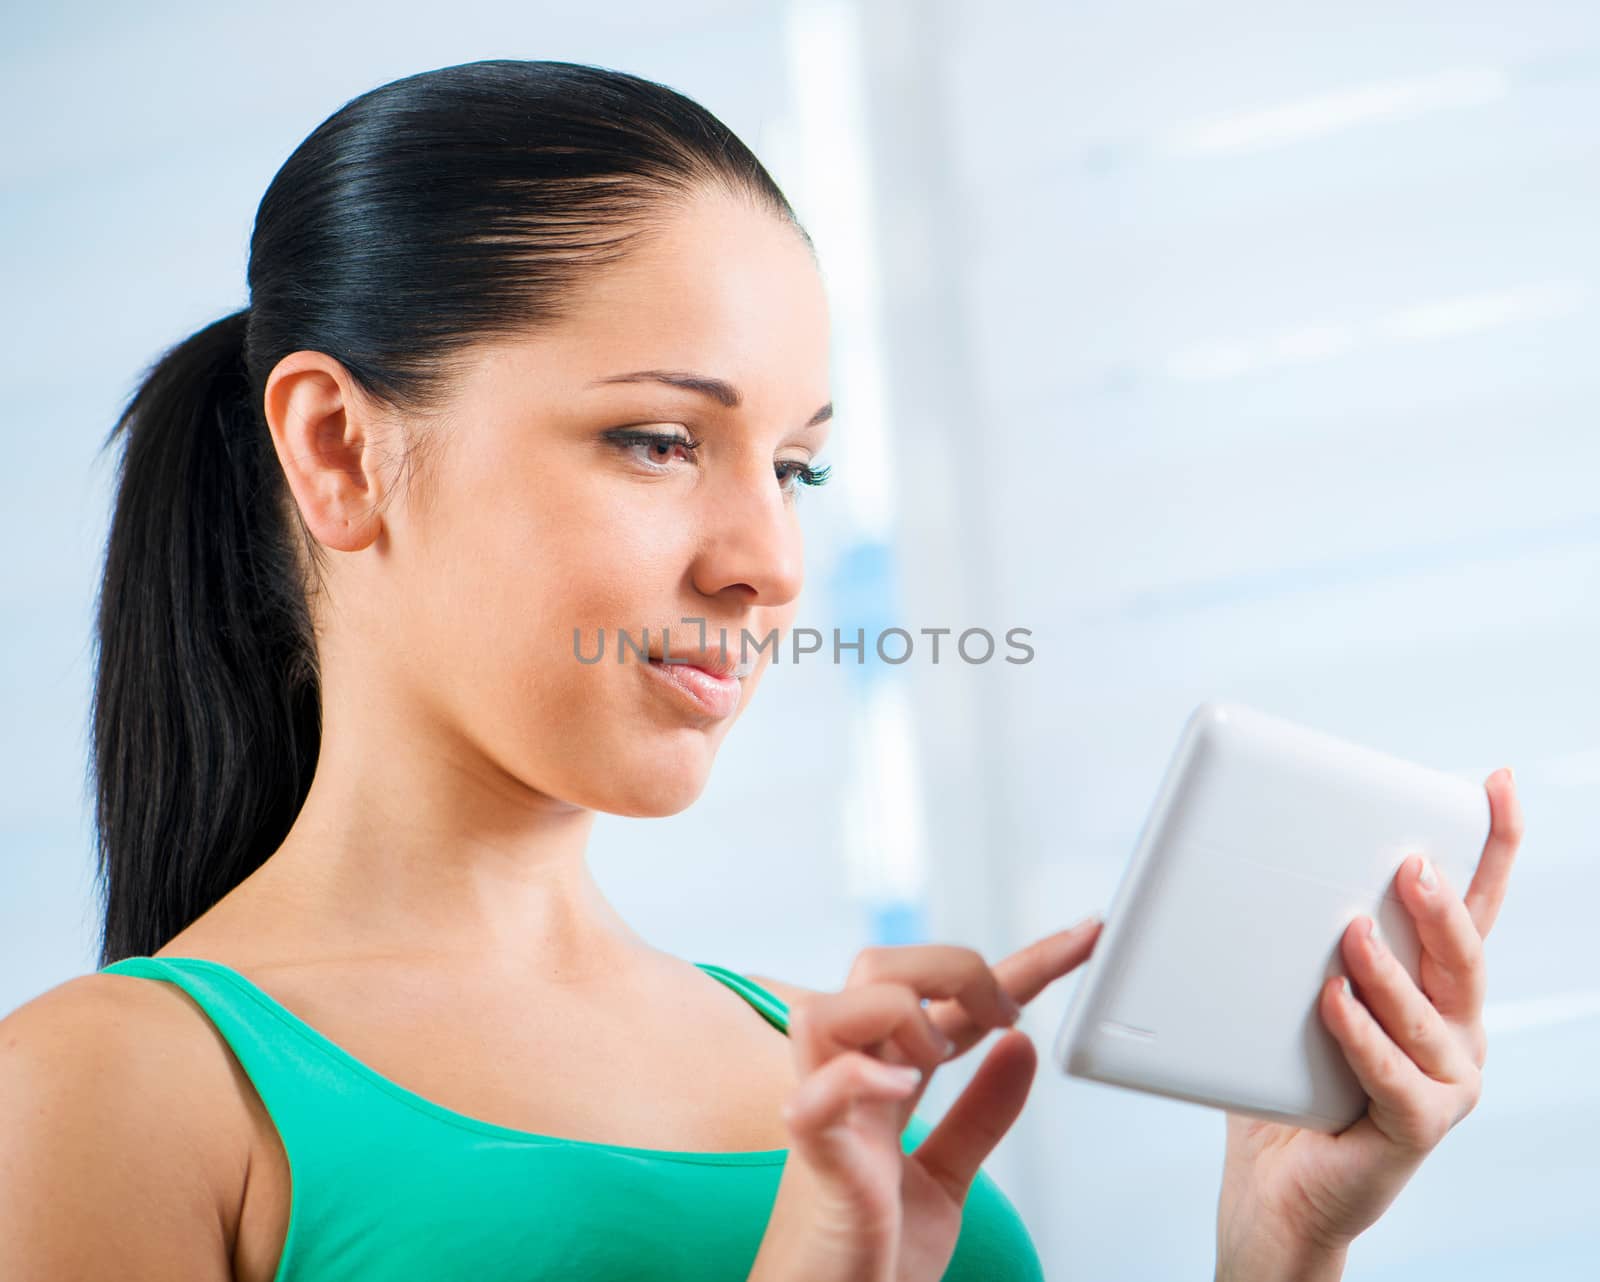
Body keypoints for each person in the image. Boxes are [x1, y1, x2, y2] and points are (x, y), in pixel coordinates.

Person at [0, 59, 1523, 1282]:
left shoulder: (818, 1061)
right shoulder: (105, 1094)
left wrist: (1282, 1245)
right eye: (658, 440)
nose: (770, 560)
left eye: (794, 466)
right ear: (342, 450)